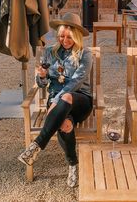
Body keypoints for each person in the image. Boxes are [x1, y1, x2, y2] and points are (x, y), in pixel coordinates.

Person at [18, 12, 93, 188]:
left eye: (69, 37)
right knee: (65, 125)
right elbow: (41, 84)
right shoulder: (49, 53)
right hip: (60, 105)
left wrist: (55, 102)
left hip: (81, 100)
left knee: (66, 96)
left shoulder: (84, 54)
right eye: (61, 36)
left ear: (76, 35)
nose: (64, 40)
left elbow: (76, 82)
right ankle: (73, 164)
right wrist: (42, 76)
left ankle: (37, 144)